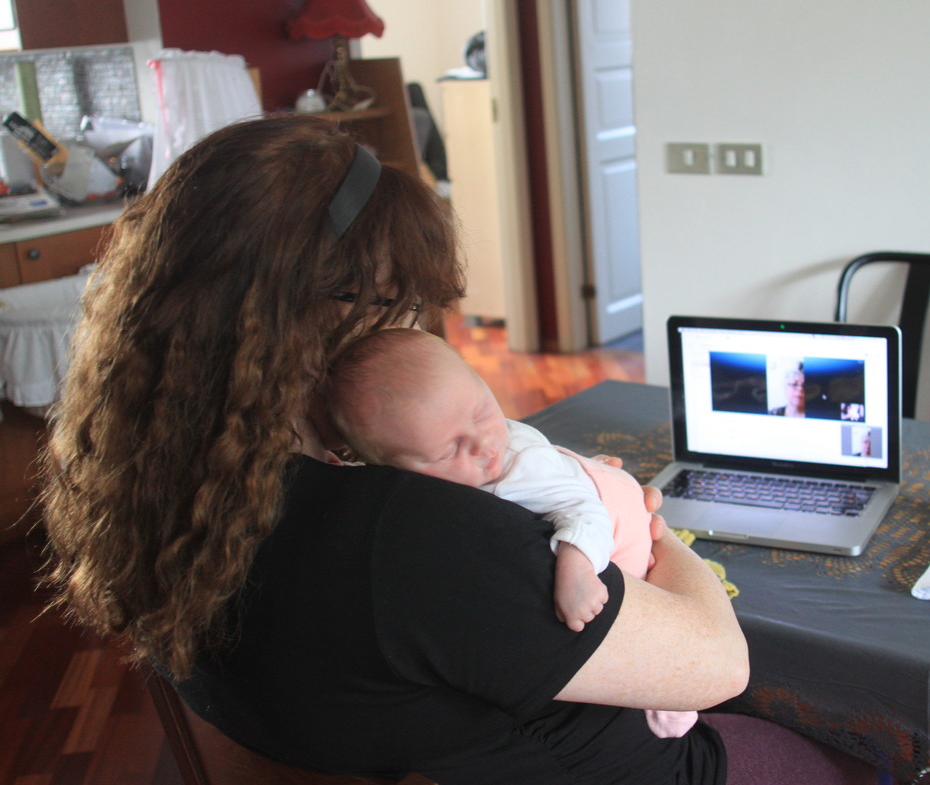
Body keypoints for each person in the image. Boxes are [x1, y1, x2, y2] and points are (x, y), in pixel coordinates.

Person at [39, 115, 878, 784]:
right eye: (400, 308)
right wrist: (650, 530)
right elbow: (718, 664)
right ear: (309, 320)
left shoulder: (168, 496)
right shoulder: (411, 538)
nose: (412, 331)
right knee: (861, 751)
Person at [327, 327, 696, 738]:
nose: (486, 444)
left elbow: (584, 513)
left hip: (614, 529)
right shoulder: (425, 470)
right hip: (579, 488)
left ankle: (676, 708)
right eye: (449, 450)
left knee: (640, 637)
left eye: (484, 411)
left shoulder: (517, 471)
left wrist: (575, 571)